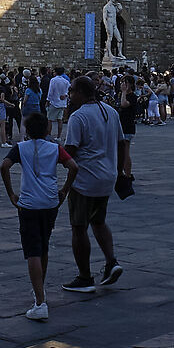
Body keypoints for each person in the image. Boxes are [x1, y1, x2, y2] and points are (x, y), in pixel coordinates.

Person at [57, 74, 126, 295]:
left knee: (79, 227)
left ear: (80, 93)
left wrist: (52, 155)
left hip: (85, 180)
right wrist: (119, 171)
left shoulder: (78, 117)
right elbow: (122, 143)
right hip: (107, 177)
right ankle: (111, 262)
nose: (69, 95)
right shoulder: (111, 112)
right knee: (98, 220)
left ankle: (85, 277)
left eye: (71, 91)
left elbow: (71, 150)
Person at [0, 109, 66, 321]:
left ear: (27, 131)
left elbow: (4, 166)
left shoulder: (21, 148)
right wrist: (64, 190)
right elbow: (74, 166)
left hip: (29, 204)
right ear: (47, 129)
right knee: (43, 245)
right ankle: (40, 289)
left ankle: (40, 302)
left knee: (32, 251)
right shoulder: (55, 148)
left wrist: (11, 193)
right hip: (50, 202)